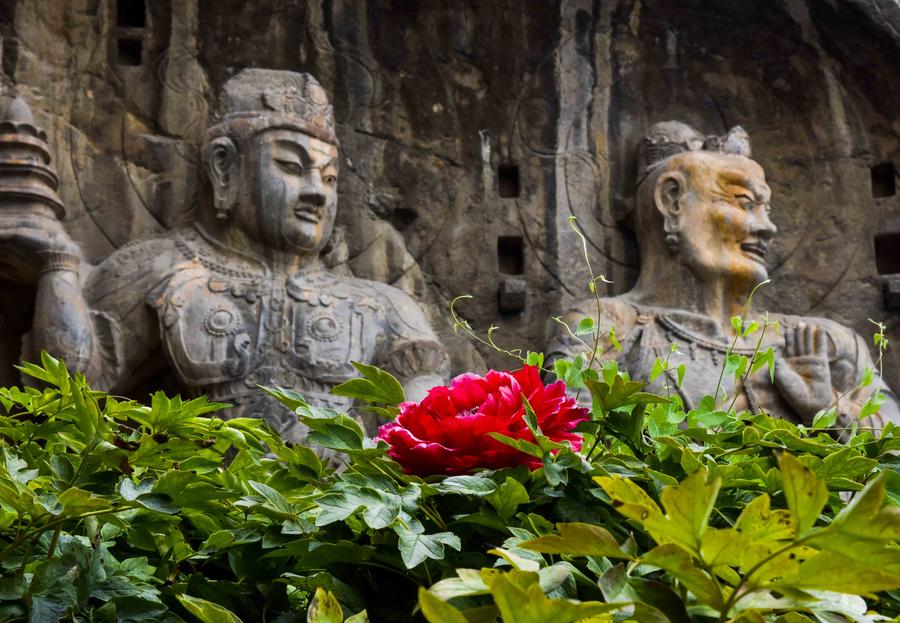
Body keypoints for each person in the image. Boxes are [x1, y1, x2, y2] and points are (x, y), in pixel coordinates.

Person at [0, 69, 449, 443]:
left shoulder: (384, 308)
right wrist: (57, 266)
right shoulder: (160, 270)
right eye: (291, 167)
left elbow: (429, 429)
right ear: (223, 166)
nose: (316, 192)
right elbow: (70, 392)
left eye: (329, 178)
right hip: (198, 521)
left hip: (342, 524)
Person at [547, 121, 899, 431]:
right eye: (745, 203)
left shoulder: (822, 343)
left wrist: (827, 409)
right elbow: (569, 460)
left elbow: (893, 460)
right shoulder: (606, 329)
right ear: (672, 201)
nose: (767, 227)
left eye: (767, 209)